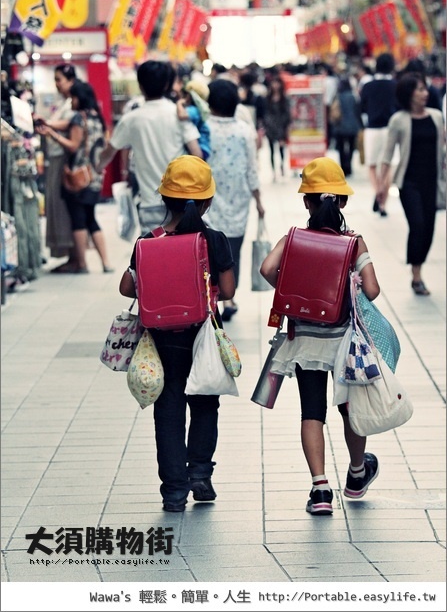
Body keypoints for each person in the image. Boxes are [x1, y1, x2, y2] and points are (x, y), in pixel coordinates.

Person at [260, 157, 381, 516]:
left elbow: (267, 269)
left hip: (305, 340)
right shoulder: (353, 243)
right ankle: (357, 475)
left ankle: (320, 489)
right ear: (342, 202)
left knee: (311, 411)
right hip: (343, 342)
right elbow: (372, 290)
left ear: (306, 202)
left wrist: (292, 290)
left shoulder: (293, 238)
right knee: (349, 410)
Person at [118, 155, 235, 512]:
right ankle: (199, 473)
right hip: (201, 335)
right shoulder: (213, 239)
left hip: (161, 337)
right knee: (204, 402)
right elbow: (227, 290)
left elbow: (126, 288)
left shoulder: (148, 240)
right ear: (207, 201)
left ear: (163, 199)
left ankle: (173, 491)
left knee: (167, 410)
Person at [97, 60, 202, 235]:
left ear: (140, 85)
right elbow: (197, 153)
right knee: (182, 253)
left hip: (149, 202)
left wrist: (96, 166)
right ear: (168, 84)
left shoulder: (132, 119)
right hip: (181, 199)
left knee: (154, 254)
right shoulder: (178, 115)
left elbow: (108, 152)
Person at [378, 73, 446, 296]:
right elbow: (387, 155)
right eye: (420, 89)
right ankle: (416, 276)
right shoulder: (399, 119)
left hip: (432, 182)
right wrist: (382, 186)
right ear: (409, 94)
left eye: (426, 89)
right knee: (417, 225)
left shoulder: (436, 117)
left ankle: (419, 268)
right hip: (409, 183)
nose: (425, 93)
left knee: (429, 229)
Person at [204, 79, 265, 322]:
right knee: (232, 252)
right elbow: (252, 169)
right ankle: (229, 297)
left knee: (209, 252)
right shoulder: (244, 131)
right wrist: (259, 200)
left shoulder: (203, 128)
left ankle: (213, 299)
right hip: (239, 200)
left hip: (209, 200)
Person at [37, 81, 113, 273]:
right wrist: (48, 123)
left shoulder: (80, 118)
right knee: (91, 218)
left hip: (77, 177)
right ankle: (105, 262)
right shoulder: (97, 117)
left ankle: (81, 263)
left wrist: (51, 134)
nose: (71, 101)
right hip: (94, 176)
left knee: (78, 219)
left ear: (79, 98)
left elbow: (72, 145)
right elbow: (66, 124)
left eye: (73, 97)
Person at [38, 64, 78, 270]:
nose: (56, 84)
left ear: (70, 80)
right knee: (58, 205)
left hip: (63, 160)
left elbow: (69, 124)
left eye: (59, 79)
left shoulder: (73, 103)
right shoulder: (65, 102)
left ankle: (73, 256)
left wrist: (49, 126)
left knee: (62, 205)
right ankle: (70, 255)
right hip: (57, 158)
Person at [360, 52, 399, 217]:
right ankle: (383, 202)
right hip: (390, 129)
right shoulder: (396, 85)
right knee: (388, 165)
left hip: (373, 129)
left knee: (372, 165)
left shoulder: (368, 86)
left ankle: (378, 194)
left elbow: (361, 109)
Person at [331, 78, 363, 177]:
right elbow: (358, 111)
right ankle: (349, 166)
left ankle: (342, 167)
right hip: (352, 125)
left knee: (341, 148)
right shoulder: (353, 96)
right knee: (351, 147)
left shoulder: (337, 96)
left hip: (340, 126)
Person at [264, 75, 291, 180]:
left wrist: (286, 126)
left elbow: (287, 114)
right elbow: (265, 112)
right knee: (271, 150)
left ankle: (282, 167)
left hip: (281, 127)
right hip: (270, 127)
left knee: (281, 149)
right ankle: (274, 170)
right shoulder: (268, 98)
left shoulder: (284, 98)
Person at [176, 79, 211, 160]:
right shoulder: (198, 109)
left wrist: (179, 103)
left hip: (201, 148)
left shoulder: (194, 110)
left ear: (189, 96)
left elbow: (181, 115)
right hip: (203, 147)